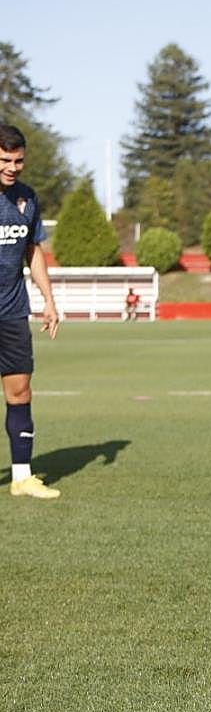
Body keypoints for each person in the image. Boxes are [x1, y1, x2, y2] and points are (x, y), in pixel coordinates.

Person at [0, 124, 61, 499]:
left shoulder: (27, 198)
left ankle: (22, 476)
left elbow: (33, 251)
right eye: (5, 160)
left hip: (11, 310)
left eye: (18, 160)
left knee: (20, 391)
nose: (12, 167)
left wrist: (48, 300)